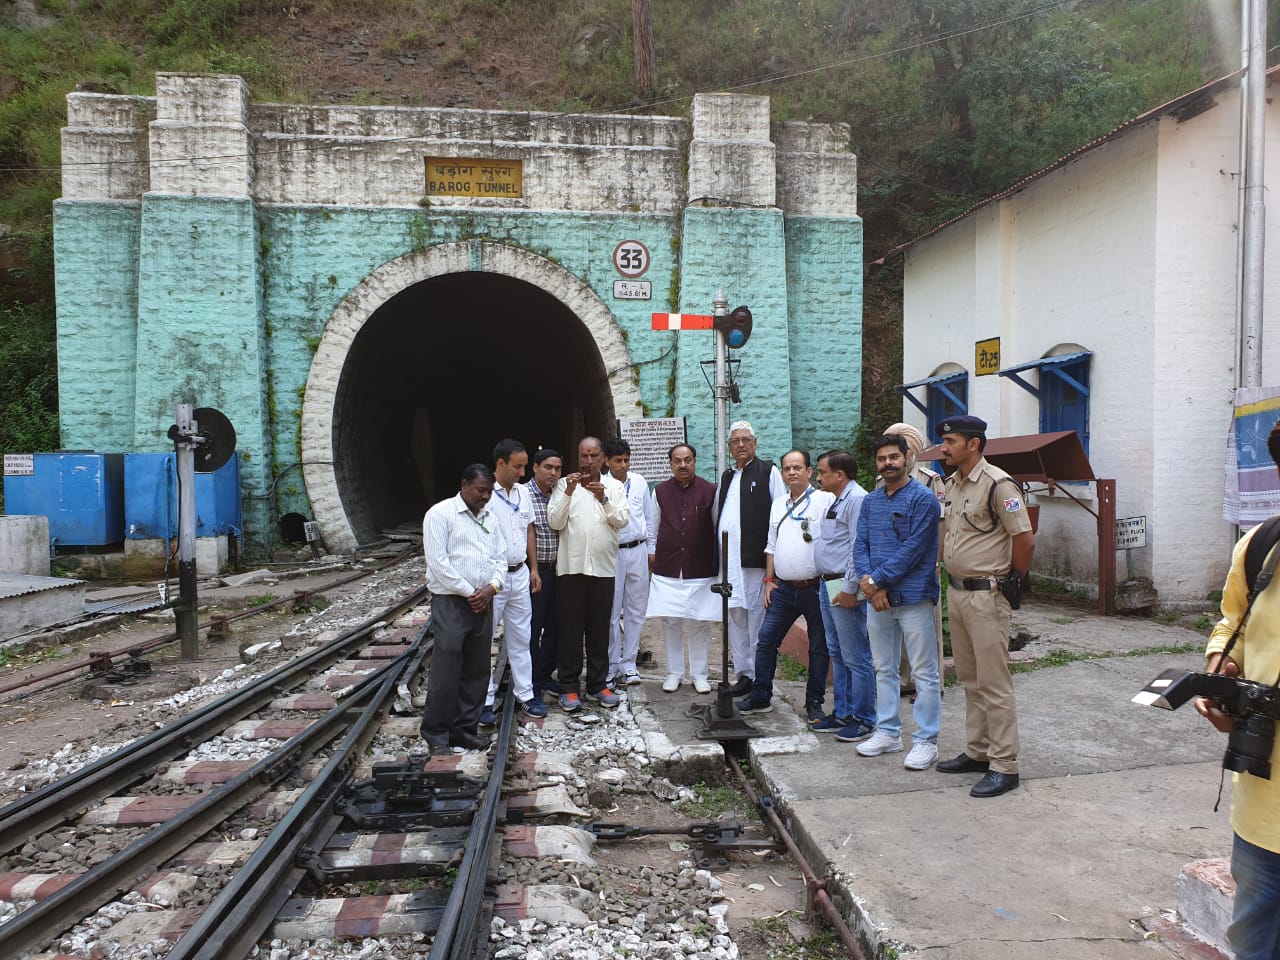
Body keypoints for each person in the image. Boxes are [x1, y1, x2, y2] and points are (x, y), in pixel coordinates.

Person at [1195, 419, 1280, 960]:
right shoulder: (1262, 546)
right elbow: (1234, 622)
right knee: (1253, 940)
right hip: (1264, 809)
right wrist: (1221, 666)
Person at [936, 414, 1034, 798]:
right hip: (958, 593)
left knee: (994, 682)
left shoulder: (998, 484)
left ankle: (1005, 764)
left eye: (951, 442)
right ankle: (978, 752)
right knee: (969, 678)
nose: (944, 448)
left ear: (973, 444)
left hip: (987, 596)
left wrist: (1013, 579)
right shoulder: (954, 484)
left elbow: (1024, 538)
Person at [853, 434, 943, 770]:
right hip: (878, 601)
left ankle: (926, 740)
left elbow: (914, 550)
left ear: (907, 458)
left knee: (924, 672)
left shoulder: (924, 500)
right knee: (884, 667)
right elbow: (860, 545)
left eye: (893, 457)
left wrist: (876, 581)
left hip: (915, 597)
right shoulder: (871, 502)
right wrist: (871, 586)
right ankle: (889, 732)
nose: (887, 463)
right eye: (882, 459)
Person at [736, 450, 832, 718]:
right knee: (766, 641)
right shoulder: (778, 504)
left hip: (815, 588)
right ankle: (760, 695)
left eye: (797, 467)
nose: (792, 472)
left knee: (818, 647)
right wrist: (768, 580)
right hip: (783, 589)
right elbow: (771, 545)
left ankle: (814, 702)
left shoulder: (824, 500)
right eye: (787, 468)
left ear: (809, 472)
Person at [419, 464, 507, 755]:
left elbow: (500, 558)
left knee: (478, 668)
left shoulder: (491, 519)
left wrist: (492, 587)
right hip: (453, 602)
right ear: (464, 485)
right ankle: (437, 734)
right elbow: (438, 563)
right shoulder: (440, 515)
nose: (486, 497)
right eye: (481, 491)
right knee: (447, 669)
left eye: (490, 492)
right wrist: (472, 592)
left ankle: (464, 730)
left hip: (483, 601)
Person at [548, 436, 629, 711]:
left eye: (594, 456)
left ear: (603, 459)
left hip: (603, 569)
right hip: (571, 569)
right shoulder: (563, 485)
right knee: (570, 630)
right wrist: (570, 492)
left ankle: (597, 685)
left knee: (599, 630)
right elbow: (554, 521)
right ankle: (568, 687)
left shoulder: (615, 487)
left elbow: (621, 520)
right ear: (578, 457)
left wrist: (602, 497)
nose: (589, 461)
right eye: (584, 455)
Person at [717, 420, 786, 696]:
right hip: (730, 562)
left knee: (758, 618)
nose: (741, 444)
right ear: (730, 446)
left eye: (746, 439)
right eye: (736, 441)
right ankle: (743, 674)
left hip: (756, 563)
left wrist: (775, 565)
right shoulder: (726, 476)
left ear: (755, 444)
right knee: (736, 617)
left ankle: (761, 678)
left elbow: (780, 514)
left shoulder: (768, 471)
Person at [479, 438, 546, 723]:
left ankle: (526, 694)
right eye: (517, 467)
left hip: (519, 574)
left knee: (522, 637)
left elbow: (528, 530)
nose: (522, 472)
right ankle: (483, 699)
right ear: (500, 464)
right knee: (484, 641)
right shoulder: (484, 494)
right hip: (492, 579)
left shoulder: (522, 493)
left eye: (523, 466)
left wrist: (533, 568)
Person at [646, 443, 720, 693]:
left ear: (695, 461)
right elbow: (652, 526)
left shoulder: (711, 490)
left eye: (687, 460)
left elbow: (716, 527)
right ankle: (674, 673)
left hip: (700, 566)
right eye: (677, 461)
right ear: (670, 464)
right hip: (668, 566)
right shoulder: (661, 491)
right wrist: (652, 554)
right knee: (671, 621)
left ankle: (699, 674)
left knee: (700, 622)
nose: (683, 465)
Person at [814, 449, 877, 742]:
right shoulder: (838, 499)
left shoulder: (857, 499)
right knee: (838, 652)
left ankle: (863, 718)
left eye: (823, 472)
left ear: (839, 475)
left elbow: (857, 547)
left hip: (843, 585)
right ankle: (843, 712)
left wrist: (851, 589)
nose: (818, 477)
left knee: (856, 655)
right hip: (828, 584)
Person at [881, 422, 947, 697]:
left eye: (903, 449)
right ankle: (905, 680)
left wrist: (935, 564)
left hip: (922, 568)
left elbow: (941, 525)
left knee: (927, 629)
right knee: (898, 626)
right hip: (894, 568)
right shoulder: (881, 482)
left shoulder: (931, 480)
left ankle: (931, 684)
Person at [605, 438, 654, 686]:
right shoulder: (601, 485)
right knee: (612, 611)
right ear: (607, 461)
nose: (623, 465)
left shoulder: (640, 482)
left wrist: (651, 550)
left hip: (638, 549)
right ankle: (611, 665)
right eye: (618, 461)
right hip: (612, 552)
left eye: (626, 460)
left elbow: (649, 516)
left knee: (636, 609)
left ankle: (630, 663)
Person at [526, 447, 563, 698]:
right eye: (548, 467)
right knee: (532, 626)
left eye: (557, 469)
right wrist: (534, 569)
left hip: (559, 572)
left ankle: (545, 674)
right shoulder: (523, 495)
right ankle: (530, 680)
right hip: (534, 572)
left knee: (555, 626)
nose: (553, 473)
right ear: (535, 468)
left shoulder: (559, 494)